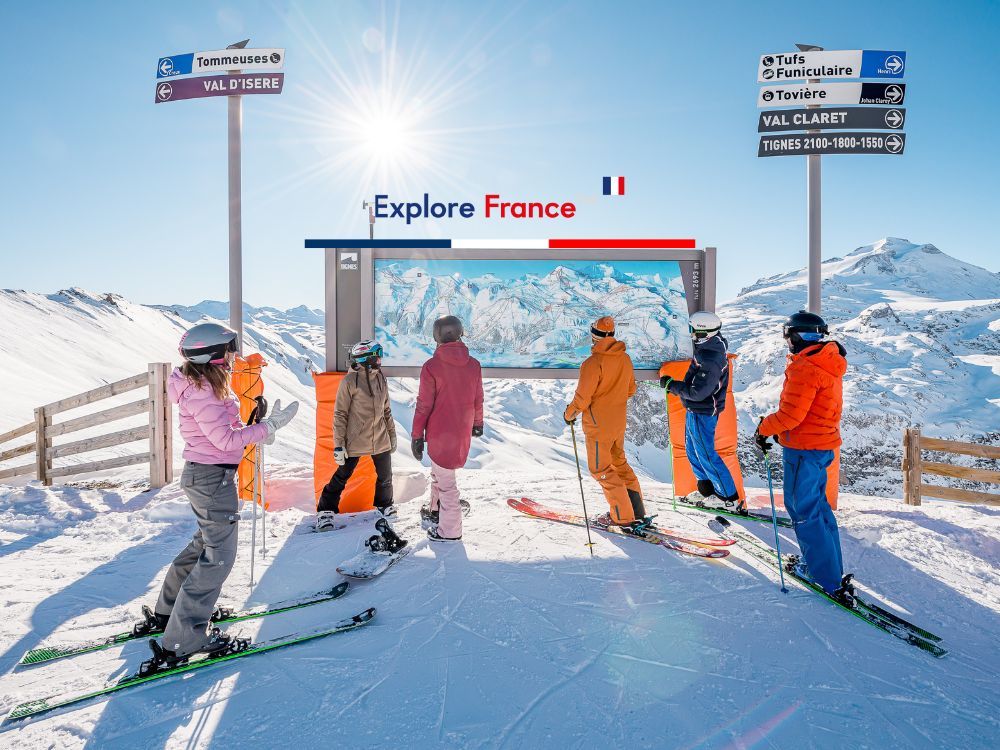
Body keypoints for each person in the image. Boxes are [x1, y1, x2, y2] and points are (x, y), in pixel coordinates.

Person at [135, 323, 299, 665]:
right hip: (212, 480)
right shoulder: (204, 391)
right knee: (218, 557)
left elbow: (222, 433)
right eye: (229, 349)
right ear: (211, 354)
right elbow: (224, 441)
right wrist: (267, 428)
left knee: (204, 545)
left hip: (206, 476)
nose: (233, 355)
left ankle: (168, 613)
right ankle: (184, 638)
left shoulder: (201, 385)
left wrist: (254, 429)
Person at [755, 311, 850, 599]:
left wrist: (764, 429)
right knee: (818, 509)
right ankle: (830, 568)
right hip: (821, 446)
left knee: (804, 510)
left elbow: (791, 415)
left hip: (804, 449)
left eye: (788, 336)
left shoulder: (806, 368)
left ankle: (824, 576)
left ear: (796, 336)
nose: (788, 342)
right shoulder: (827, 361)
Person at [563, 316, 647, 531]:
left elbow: (582, 398)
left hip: (598, 425)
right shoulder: (624, 359)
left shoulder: (593, 363)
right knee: (619, 464)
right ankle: (637, 511)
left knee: (600, 469)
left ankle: (621, 516)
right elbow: (630, 389)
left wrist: (570, 413)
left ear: (594, 335)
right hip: (618, 423)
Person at [660, 311, 743, 512]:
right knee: (693, 451)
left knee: (706, 454)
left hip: (703, 411)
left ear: (702, 333)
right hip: (695, 410)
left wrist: (672, 385)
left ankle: (728, 498)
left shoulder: (711, 357)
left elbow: (698, 392)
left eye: (692, 330)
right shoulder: (706, 348)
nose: (690, 334)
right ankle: (708, 491)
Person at [412, 315, 484, 542]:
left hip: (439, 433)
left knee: (446, 483)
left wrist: (416, 435)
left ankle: (450, 531)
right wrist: (477, 423)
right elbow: (477, 399)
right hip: (461, 431)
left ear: (436, 337)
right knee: (440, 474)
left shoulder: (431, 367)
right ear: (460, 333)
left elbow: (424, 405)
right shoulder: (473, 365)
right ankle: (436, 511)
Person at [317, 339, 397, 529]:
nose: (380, 361)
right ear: (367, 358)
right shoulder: (350, 381)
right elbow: (340, 414)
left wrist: (391, 436)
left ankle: (385, 505)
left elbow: (386, 410)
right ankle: (325, 510)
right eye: (377, 357)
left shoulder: (380, 378)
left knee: (385, 476)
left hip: (380, 437)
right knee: (342, 476)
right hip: (355, 439)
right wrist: (339, 444)